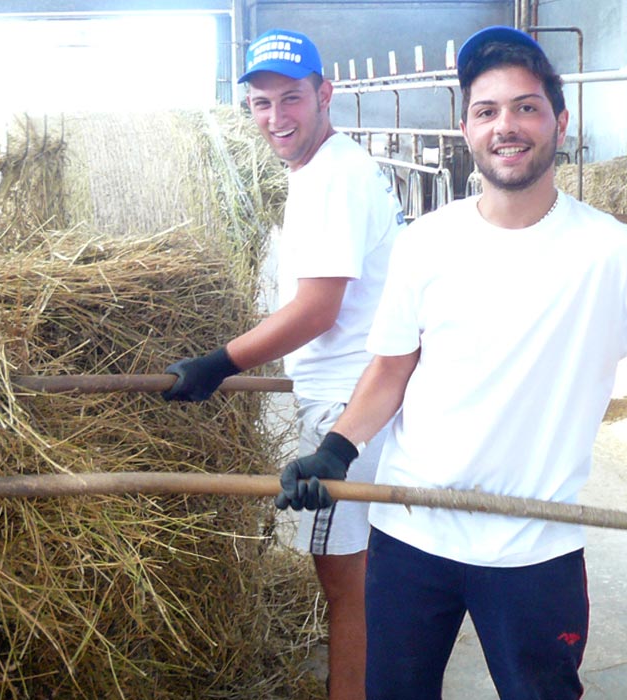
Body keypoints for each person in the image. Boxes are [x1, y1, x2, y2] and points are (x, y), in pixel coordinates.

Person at [274, 26, 627, 699]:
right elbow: (390, 370)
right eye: (486, 111)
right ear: (465, 128)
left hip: (532, 547)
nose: (506, 127)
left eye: (525, 107)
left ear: (559, 121)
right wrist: (338, 451)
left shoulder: (612, 255)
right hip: (410, 533)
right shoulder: (425, 244)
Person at [161, 29, 405, 700]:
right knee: (365, 579)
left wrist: (218, 363)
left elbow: (317, 309)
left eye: (290, 98)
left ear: (325, 94)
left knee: (344, 585)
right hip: (361, 388)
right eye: (260, 104)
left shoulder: (330, 177)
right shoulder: (332, 166)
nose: (275, 118)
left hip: (345, 405)